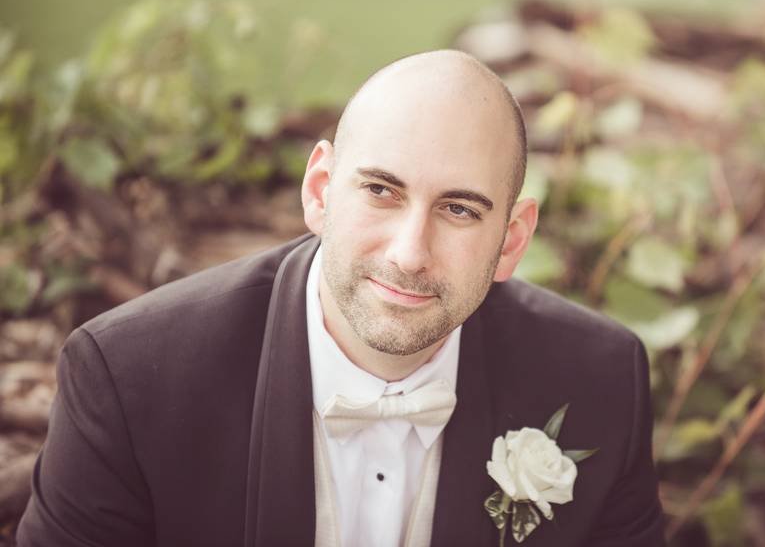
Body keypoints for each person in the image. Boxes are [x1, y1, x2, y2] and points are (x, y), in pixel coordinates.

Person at [16, 50, 664, 546]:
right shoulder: (128, 379)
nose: (409, 253)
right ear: (320, 190)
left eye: (460, 210)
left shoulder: (602, 382)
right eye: (381, 191)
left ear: (512, 240)